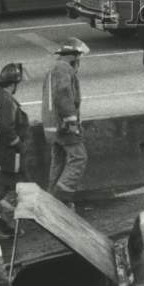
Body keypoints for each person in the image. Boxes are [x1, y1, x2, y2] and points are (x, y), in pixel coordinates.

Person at [0, 62, 31, 236]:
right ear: (13, 83)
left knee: (0, 189)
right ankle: (5, 225)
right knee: (21, 187)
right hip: (6, 157)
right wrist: (19, 144)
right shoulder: (6, 100)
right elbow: (6, 128)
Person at [42, 37, 89, 208]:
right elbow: (63, 95)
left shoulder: (54, 69)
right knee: (79, 157)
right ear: (74, 56)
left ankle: (51, 199)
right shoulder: (63, 69)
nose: (79, 61)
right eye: (79, 57)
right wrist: (72, 122)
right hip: (63, 126)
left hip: (52, 127)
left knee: (59, 161)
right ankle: (61, 198)